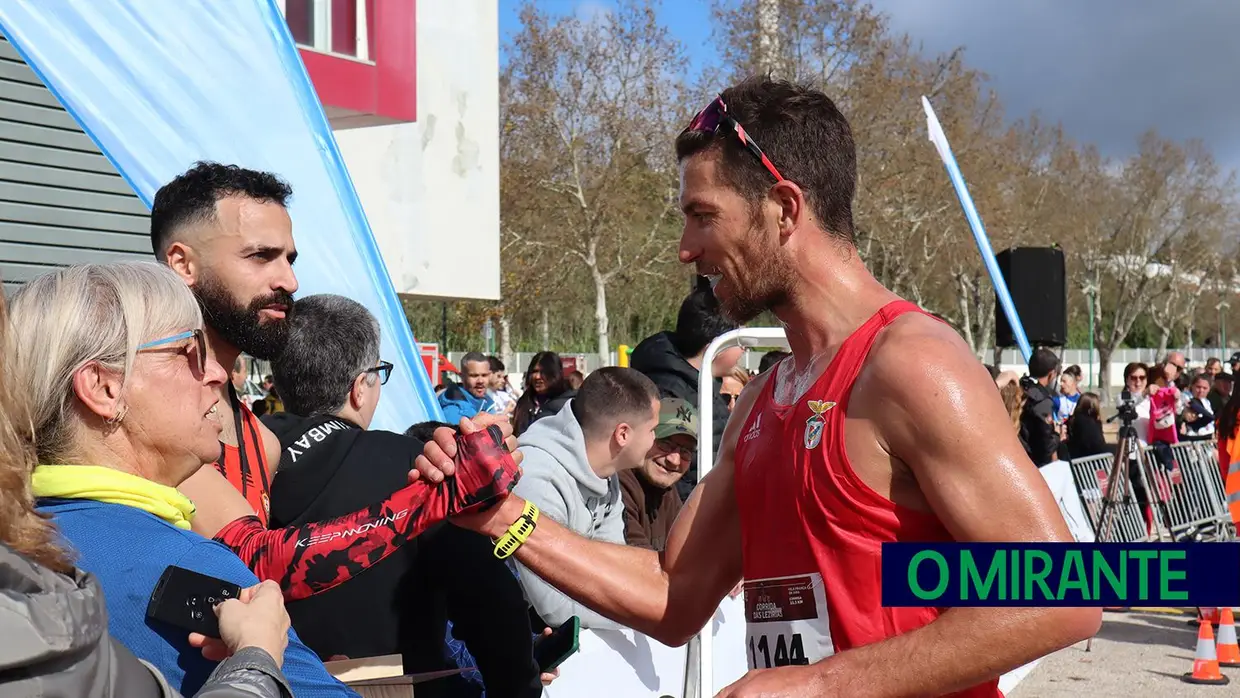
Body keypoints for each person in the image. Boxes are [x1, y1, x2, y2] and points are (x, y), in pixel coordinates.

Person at [429, 77, 1098, 696]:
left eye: (703, 215)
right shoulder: (764, 396)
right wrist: (502, 519)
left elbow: (1060, 596)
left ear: (782, 207)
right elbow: (675, 594)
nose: (686, 248)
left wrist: (819, 685)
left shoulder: (911, 364)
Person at [150, 161, 517, 603]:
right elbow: (252, 560)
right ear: (182, 263)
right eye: (260, 256)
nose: (289, 280)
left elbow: (252, 590)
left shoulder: (261, 439)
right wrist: (433, 499)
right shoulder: (145, 397)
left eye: (289, 258)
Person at [7, 261, 351, 696]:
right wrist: (262, 656)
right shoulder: (183, 567)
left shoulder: (19, 548)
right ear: (103, 388)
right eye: (189, 351)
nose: (217, 374)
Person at [262, 294, 548, 697]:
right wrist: (521, 688)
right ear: (360, 387)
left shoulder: (241, 461)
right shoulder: (419, 467)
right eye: (379, 373)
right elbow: (492, 606)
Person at [511, 367, 660, 630]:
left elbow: (612, 568)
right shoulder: (535, 478)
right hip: (502, 645)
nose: (655, 440)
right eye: (652, 430)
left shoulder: (607, 472)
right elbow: (554, 607)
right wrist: (648, 614)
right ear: (623, 434)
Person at [630, 281, 742, 500]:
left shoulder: (702, 388)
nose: (744, 348)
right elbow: (666, 468)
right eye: (738, 340)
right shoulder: (668, 392)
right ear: (715, 345)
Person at [618, 398, 697, 551]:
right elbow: (637, 561)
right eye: (665, 444)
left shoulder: (667, 492)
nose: (674, 460)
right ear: (645, 438)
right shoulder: (618, 484)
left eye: (686, 452)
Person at [512, 351, 575, 436]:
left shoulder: (569, 404)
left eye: (543, 372)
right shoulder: (524, 403)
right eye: (534, 371)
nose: (537, 377)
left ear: (555, 374)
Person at [1019, 348, 1062, 467]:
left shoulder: (1019, 388)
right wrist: (1058, 435)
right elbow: (1045, 448)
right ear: (1051, 374)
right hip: (1031, 464)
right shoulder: (1041, 401)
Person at [438, 352, 499, 423]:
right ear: (462, 376)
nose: (480, 381)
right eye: (474, 376)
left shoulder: (486, 402)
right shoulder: (454, 410)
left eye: (484, 375)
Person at [1065, 393, 1108, 459]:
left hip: (1074, 458)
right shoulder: (1091, 423)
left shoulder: (1072, 420)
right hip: (1090, 460)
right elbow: (1098, 445)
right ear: (1091, 407)